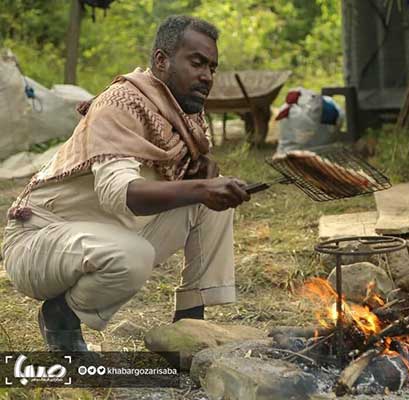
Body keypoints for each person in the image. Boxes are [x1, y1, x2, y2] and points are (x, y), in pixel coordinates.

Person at [1, 15, 250, 352]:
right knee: (136, 253)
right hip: (41, 241)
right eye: (197, 63)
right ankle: (61, 315)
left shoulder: (186, 117)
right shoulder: (119, 105)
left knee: (211, 199)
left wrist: (203, 182)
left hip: (104, 235)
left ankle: (190, 325)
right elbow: (118, 192)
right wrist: (200, 188)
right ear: (161, 60)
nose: (207, 76)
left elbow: (192, 188)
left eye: (212, 67)